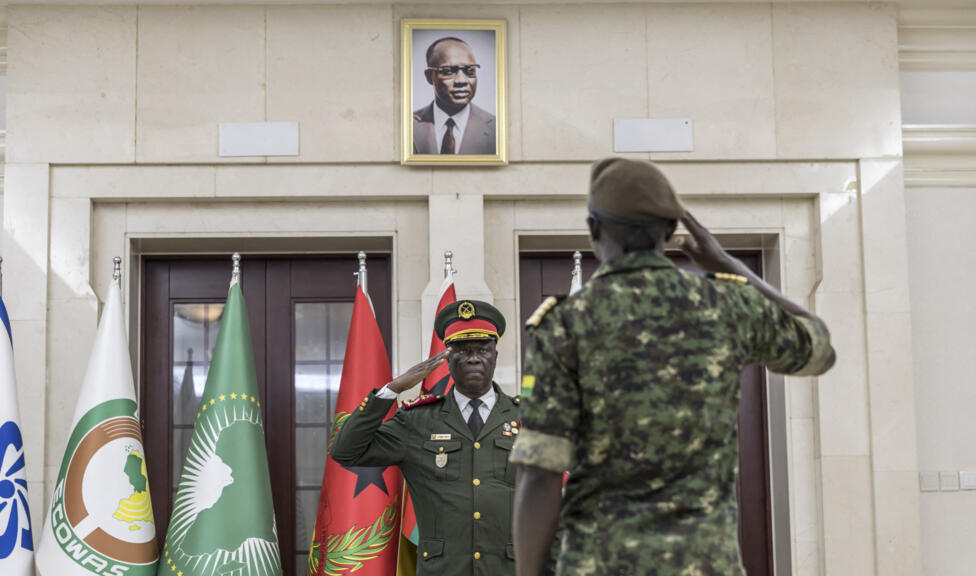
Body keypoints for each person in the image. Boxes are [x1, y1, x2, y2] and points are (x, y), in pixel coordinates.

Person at [510, 158, 837, 576]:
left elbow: (539, 473)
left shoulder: (565, 323)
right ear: (669, 232)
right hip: (706, 562)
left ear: (593, 228)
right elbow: (819, 348)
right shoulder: (727, 306)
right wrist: (731, 268)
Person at [330, 299, 520, 576]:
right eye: (463, 350)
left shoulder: (528, 419)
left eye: (483, 349)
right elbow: (345, 451)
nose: (474, 357)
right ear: (447, 358)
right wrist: (391, 390)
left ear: (495, 354)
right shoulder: (417, 421)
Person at [413, 37, 496, 155]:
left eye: (470, 71)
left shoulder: (497, 129)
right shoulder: (407, 125)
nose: (461, 80)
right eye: (448, 71)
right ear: (429, 76)